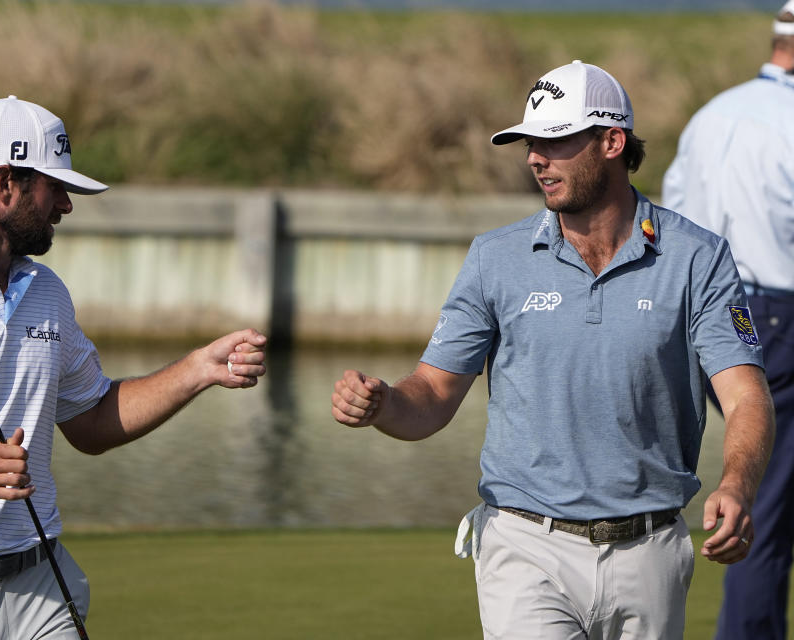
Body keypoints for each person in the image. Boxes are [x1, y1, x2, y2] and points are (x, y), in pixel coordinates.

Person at [332, 60, 776, 639]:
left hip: (652, 551)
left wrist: (737, 484)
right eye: (529, 143)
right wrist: (384, 403)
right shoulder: (495, 258)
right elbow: (434, 394)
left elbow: (746, 398)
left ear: (612, 141)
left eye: (554, 141)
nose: (535, 158)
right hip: (523, 546)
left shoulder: (698, 258)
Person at [0, 95, 267, 640]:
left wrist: (199, 369)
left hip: (36, 586)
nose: (65, 204)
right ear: (4, 183)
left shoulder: (46, 293)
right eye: (54, 186)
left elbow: (91, 422)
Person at [662, 4, 794, 638]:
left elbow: (670, 215)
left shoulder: (711, 114)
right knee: (768, 496)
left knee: (771, 488)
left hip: (701, 305)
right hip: (776, 312)